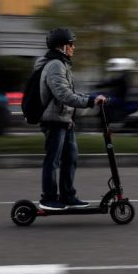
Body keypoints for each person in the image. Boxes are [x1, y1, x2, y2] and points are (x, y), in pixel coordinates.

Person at [35, 27, 106, 210]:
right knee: (53, 160)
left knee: (71, 157)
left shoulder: (62, 64)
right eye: (71, 44)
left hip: (65, 120)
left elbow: (70, 94)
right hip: (54, 120)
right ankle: (48, 198)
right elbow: (63, 95)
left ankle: (67, 195)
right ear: (62, 46)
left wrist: (91, 99)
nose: (74, 47)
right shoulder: (55, 65)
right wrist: (89, 101)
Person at [96, 58, 135, 122]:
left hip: (118, 98)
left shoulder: (123, 78)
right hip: (117, 97)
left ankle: (105, 118)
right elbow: (112, 83)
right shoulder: (125, 77)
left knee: (104, 101)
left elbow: (112, 83)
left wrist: (100, 85)